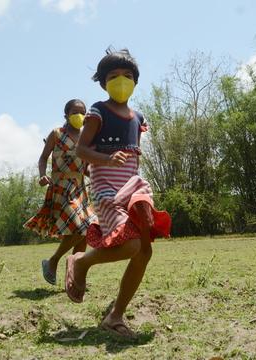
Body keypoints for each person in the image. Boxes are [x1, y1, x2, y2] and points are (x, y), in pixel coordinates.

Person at [66, 48, 171, 338]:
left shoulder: (138, 117)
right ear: (103, 83)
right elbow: (81, 149)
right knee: (130, 245)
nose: (121, 81)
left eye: (127, 76)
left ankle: (115, 316)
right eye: (114, 76)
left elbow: (134, 155)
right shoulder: (98, 111)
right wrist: (107, 159)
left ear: (135, 81)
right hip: (106, 187)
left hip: (133, 186)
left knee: (144, 250)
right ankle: (81, 261)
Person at [24, 99, 96, 286]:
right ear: (66, 115)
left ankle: (75, 277)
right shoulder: (57, 134)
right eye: (74, 111)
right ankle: (53, 261)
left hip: (80, 188)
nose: (79, 115)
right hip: (61, 188)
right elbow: (43, 159)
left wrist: (99, 179)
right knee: (80, 227)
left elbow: (85, 168)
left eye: (82, 112)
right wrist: (42, 175)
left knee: (85, 231)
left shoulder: (86, 138)